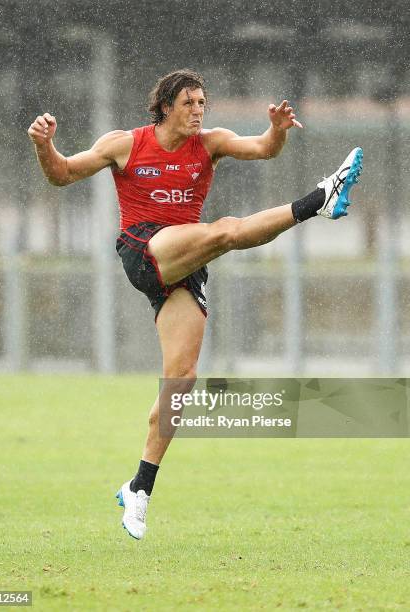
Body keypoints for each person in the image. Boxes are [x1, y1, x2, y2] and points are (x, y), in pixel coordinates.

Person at [28, 69, 363, 540]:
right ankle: (317, 202)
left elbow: (264, 149)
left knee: (180, 382)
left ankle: (140, 487)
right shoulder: (125, 143)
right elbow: (61, 175)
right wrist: (44, 144)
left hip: (184, 265)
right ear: (166, 105)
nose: (198, 112)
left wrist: (277, 130)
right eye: (189, 103)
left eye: (203, 103)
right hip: (143, 249)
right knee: (224, 230)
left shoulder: (211, 143)